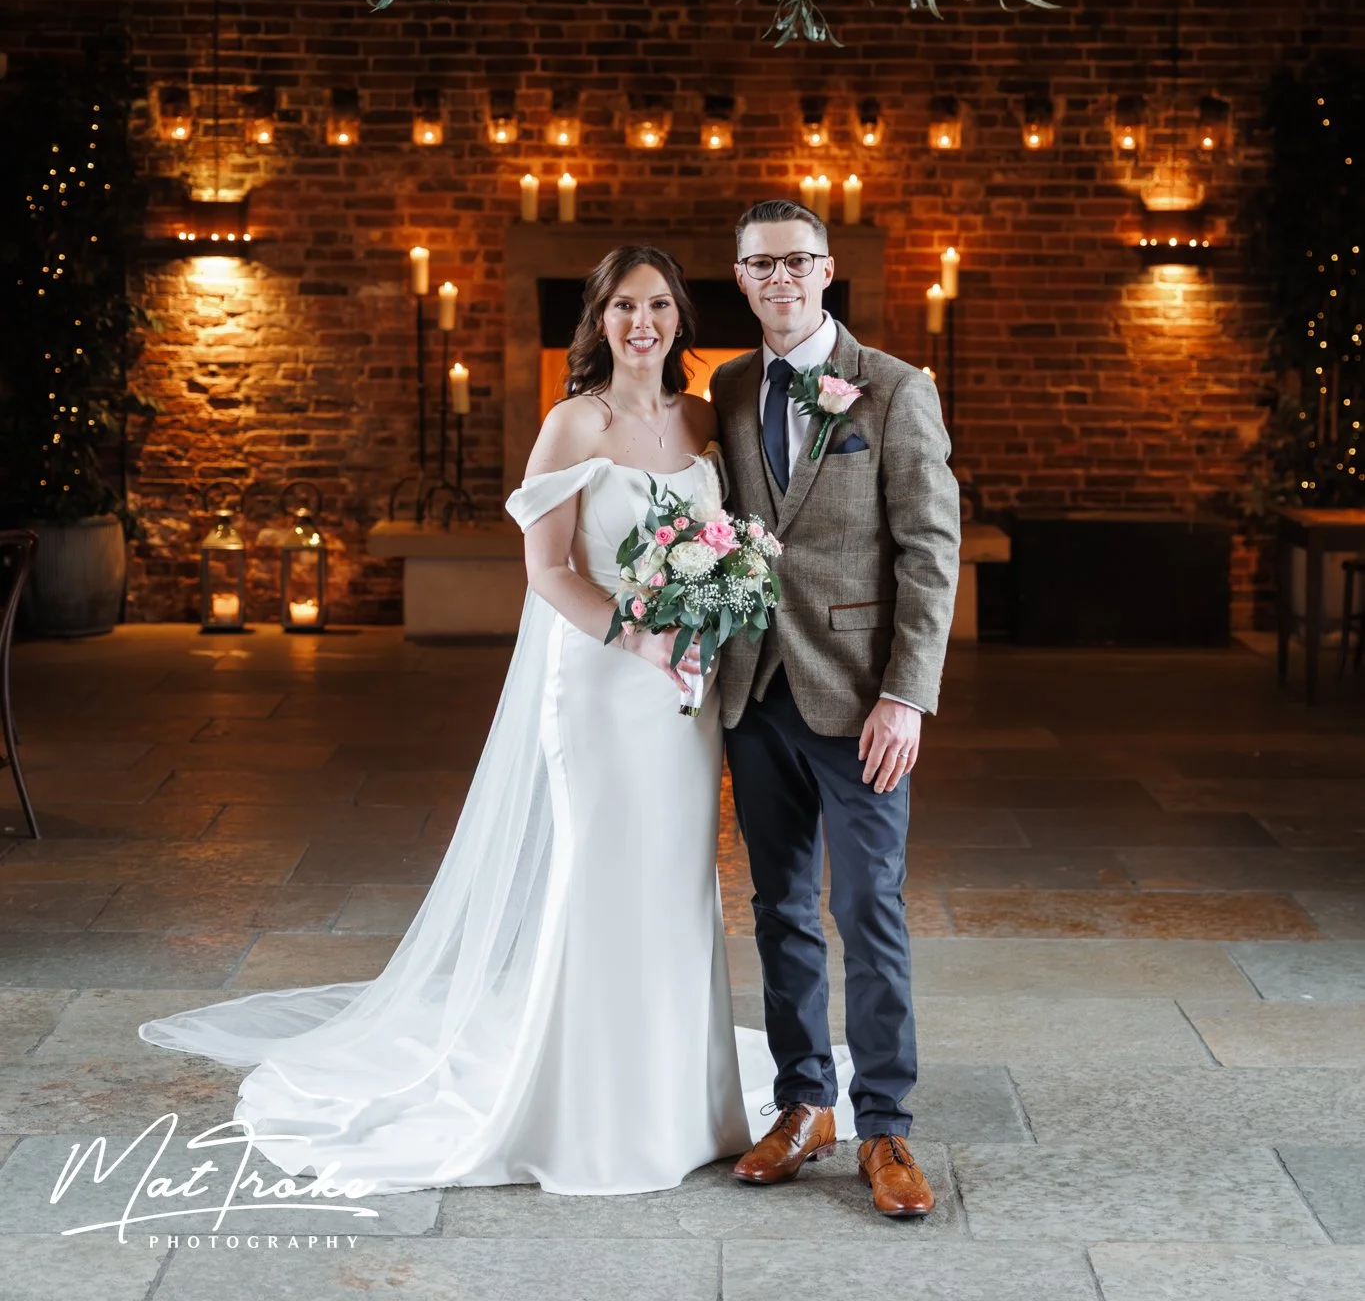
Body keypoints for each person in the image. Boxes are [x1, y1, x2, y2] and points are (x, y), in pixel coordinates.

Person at [138, 246, 750, 1195]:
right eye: (625, 305)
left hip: (683, 700)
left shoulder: (702, 419)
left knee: (676, 880)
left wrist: (708, 621)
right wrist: (640, 638)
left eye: (660, 304)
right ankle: (586, 1107)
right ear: (599, 319)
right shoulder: (572, 423)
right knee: (599, 874)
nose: (644, 322)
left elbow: (724, 547)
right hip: (601, 681)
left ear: (681, 320)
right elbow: (548, 572)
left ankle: (682, 1098)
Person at [710, 198, 960, 1219]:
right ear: (739, 277)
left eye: (797, 261)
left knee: (868, 906)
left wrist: (906, 694)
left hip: (861, 700)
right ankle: (805, 1101)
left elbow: (930, 552)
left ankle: (887, 1122)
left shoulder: (897, 388)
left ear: (827, 269)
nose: (780, 278)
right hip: (755, 691)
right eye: (760, 264)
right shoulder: (724, 387)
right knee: (777, 908)